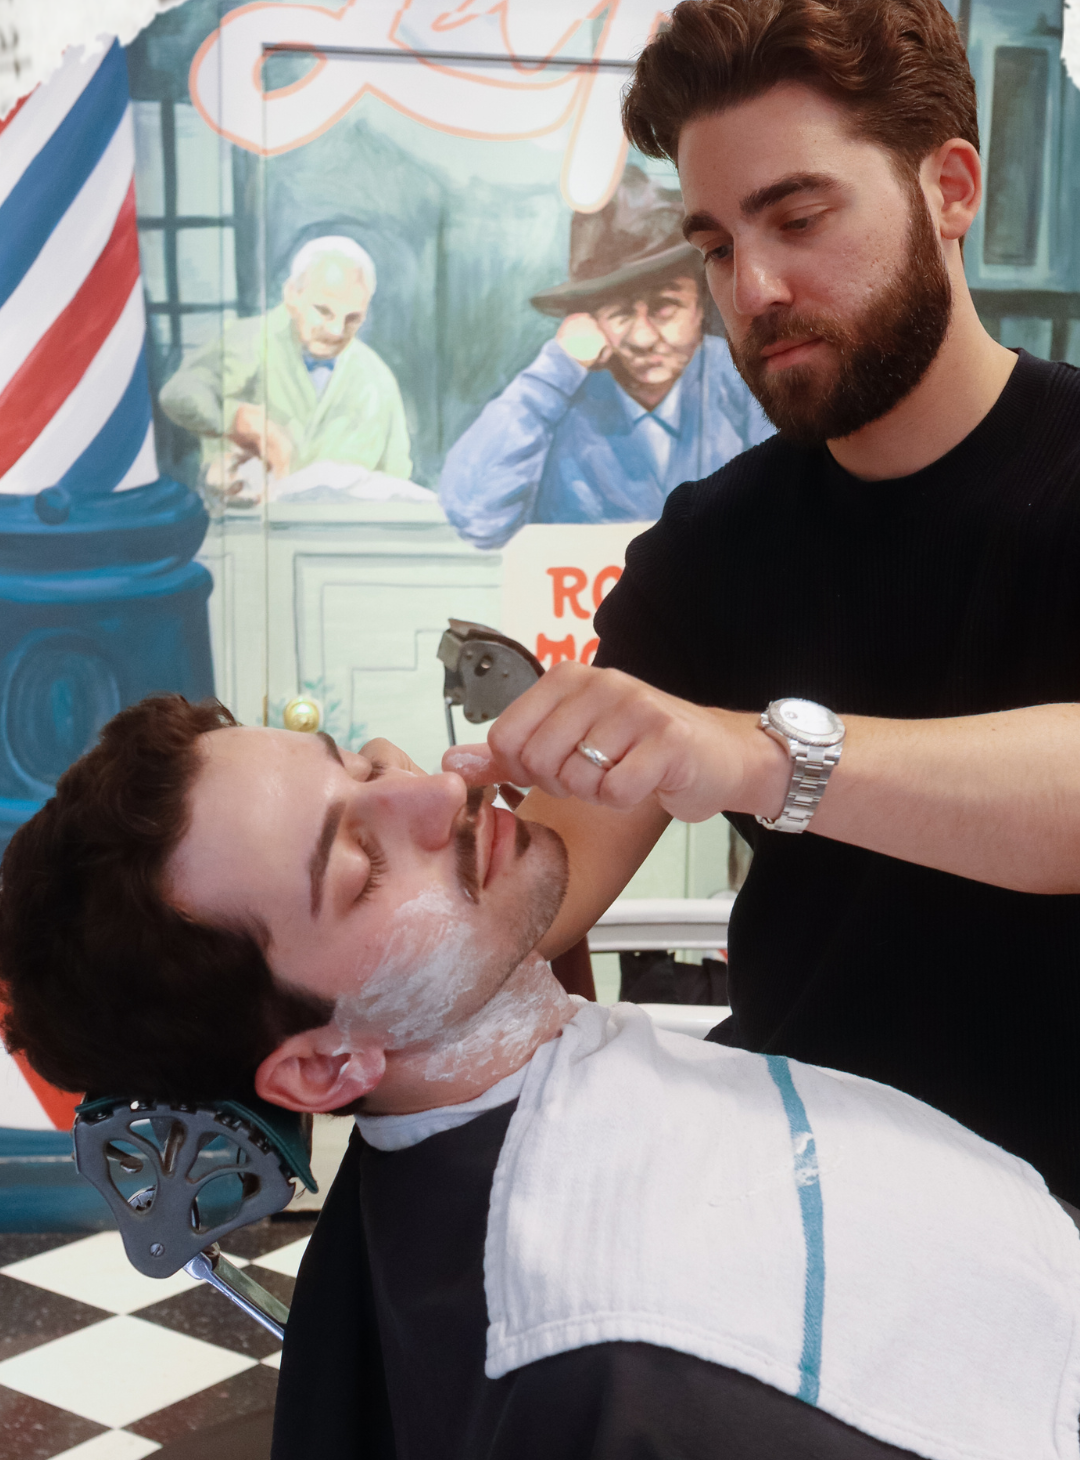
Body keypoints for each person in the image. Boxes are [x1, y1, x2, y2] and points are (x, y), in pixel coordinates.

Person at [2, 695, 1080, 1460]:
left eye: (365, 764)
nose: (441, 783)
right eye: (361, 862)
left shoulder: (527, 1088)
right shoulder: (637, 1365)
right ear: (328, 1062)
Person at [441, 0, 1080, 1209]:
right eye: (718, 245)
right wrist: (404, 842)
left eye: (797, 216)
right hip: (806, 1207)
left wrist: (755, 754)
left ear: (951, 188)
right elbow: (561, 871)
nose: (758, 285)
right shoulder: (708, 550)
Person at [438, 166, 772, 549]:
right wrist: (554, 371)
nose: (643, 338)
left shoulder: (742, 382)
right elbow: (475, 518)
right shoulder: (558, 393)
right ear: (589, 319)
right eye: (620, 313)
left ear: (701, 306)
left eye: (665, 307)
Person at [159, 236, 412, 497]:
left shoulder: (378, 379)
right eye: (324, 311)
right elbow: (177, 393)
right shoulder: (249, 341)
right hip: (250, 528)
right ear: (292, 295)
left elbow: (397, 477)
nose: (336, 331)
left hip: (344, 534)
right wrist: (234, 419)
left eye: (353, 318)